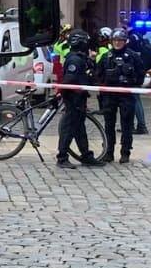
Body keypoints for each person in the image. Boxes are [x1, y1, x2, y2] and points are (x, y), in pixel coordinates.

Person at [55, 29, 103, 169]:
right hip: (73, 99)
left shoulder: (80, 57)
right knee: (68, 129)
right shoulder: (75, 59)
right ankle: (62, 158)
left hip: (79, 98)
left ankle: (86, 156)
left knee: (79, 129)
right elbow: (70, 79)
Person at [97, 28, 140, 162]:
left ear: (125, 41)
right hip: (110, 95)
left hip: (126, 94)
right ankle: (108, 151)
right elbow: (98, 73)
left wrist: (132, 82)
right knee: (109, 124)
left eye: (120, 40)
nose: (117, 43)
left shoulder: (132, 56)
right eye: (115, 40)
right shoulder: (106, 56)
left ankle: (125, 152)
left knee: (126, 124)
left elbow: (140, 74)